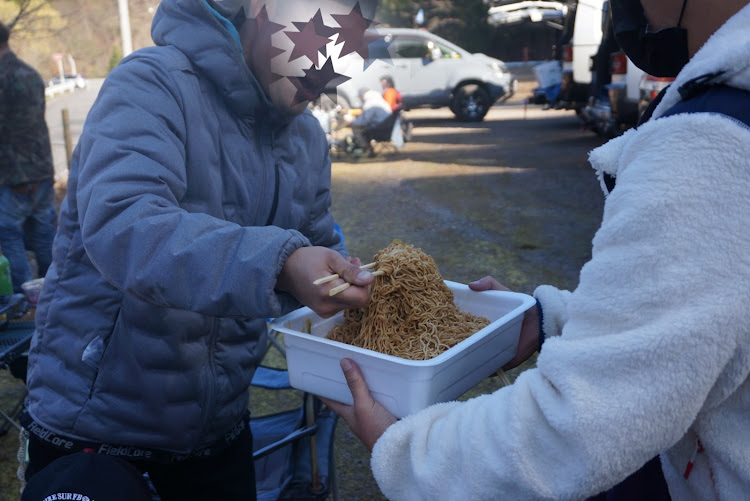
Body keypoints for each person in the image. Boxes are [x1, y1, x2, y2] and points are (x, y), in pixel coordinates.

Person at [324, 0, 750, 499]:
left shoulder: (709, 149)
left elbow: (579, 428)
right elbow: (708, 310)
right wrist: (551, 319)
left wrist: (406, 449)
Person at [19, 0, 380, 499]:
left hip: (221, 428)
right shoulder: (151, 83)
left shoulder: (308, 140)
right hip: (98, 430)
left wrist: (350, 285)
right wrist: (281, 264)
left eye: (353, 52)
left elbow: (316, 244)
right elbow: (124, 226)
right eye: (325, 34)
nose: (335, 71)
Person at [0, 20, 56, 294]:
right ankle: (56, 292)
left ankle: (25, 301)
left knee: (10, 235)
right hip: (43, 170)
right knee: (44, 235)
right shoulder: (31, 74)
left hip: (13, 176)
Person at [345, 87, 394, 153]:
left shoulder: (370, 104)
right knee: (364, 128)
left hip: (381, 132)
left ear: (363, 95)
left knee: (357, 128)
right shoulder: (381, 102)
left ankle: (366, 148)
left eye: (360, 97)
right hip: (388, 130)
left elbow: (362, 122)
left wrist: (350, 122)